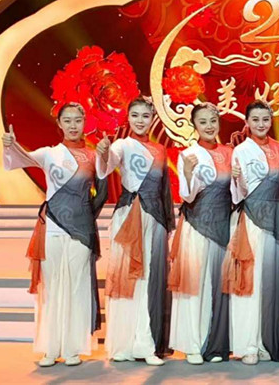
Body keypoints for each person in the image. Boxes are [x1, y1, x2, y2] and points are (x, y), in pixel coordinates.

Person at [2, 103, 107, 367]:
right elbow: (20, 159)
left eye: (78, 120)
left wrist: (85, 215)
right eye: (67, 120)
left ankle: (73, 348)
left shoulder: (93, 156)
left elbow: (102, 193)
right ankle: (50, 348)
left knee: (77, 288)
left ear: (85, 122)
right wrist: (10, 145)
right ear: (59, 124)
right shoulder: (50, 154)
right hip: (53, 226)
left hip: (82, 231)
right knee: (52, 287)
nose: (73, 125)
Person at [96, 97, 175, 366]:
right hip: (129, 216)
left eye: (145, 116)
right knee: (127, 280)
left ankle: (146, 344)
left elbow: (165, 190)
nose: (140, 120)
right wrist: (103, 153)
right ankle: (122, 344)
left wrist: (168, 223)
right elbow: (106, 166)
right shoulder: (122, 145)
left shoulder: (160, 150)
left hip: (155, 219)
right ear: (128, 118)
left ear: (152, 118)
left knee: (149, 280)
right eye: (135, 115)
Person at [225, 100, 279, 365]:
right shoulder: (241, 150)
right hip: (250, 220)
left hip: (274, 220)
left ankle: (265, 342)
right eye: (255, 120)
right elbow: (237, 195)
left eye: (265, 119)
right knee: (248, 283)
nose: (261, 124)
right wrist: (237, 178)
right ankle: (246, 345)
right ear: (247, 123)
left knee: (270, 284)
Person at [169, 102, 232, 364]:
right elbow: (186, 195)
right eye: (203, 121)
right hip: (196, 226)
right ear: (194, 125)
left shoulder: (229, 153)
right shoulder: (189, 154)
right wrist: (186, 173)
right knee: (194, 286)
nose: (209, 126)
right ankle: (192, 344)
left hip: (223, 226)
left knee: (217, 286)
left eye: (213, 121)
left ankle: (213, 344)